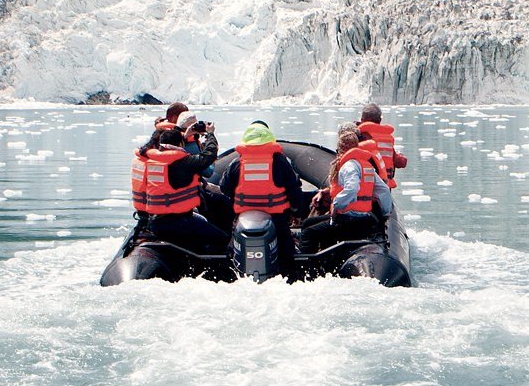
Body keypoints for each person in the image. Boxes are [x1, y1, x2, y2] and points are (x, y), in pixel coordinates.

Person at [216, 121, 305, 274]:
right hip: (276, 217)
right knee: (288, 254)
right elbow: (294, 188)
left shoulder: (237, 162)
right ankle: (291, 275)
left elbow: (225, 188)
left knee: (230, 248)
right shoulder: (280, 161)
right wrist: (296, 211)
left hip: (245, 217)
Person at [128, 108, 223, 251]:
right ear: (179, 145)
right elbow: (208, 156)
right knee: (221, 238)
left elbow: (171, 145)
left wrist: (184, 134)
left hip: (154, 221)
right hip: (178, 221)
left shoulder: (152, 160)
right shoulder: (182, 163)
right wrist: (210, 134)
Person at [307, 124, 386, 252]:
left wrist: (337, 206)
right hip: (363, 214)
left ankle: (306, 267)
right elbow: (382, 190)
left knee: (308, 230)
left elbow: (352, 189)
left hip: (348, 216)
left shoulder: (349, 165)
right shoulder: (365, 162)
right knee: (312, 225)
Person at [356, 103, 407, 186]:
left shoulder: (361, 137)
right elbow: (399, 162)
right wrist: (402, 158)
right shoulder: (387, 139)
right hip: (385, 185)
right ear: (380, 120)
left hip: (367, 185)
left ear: (362, 120)